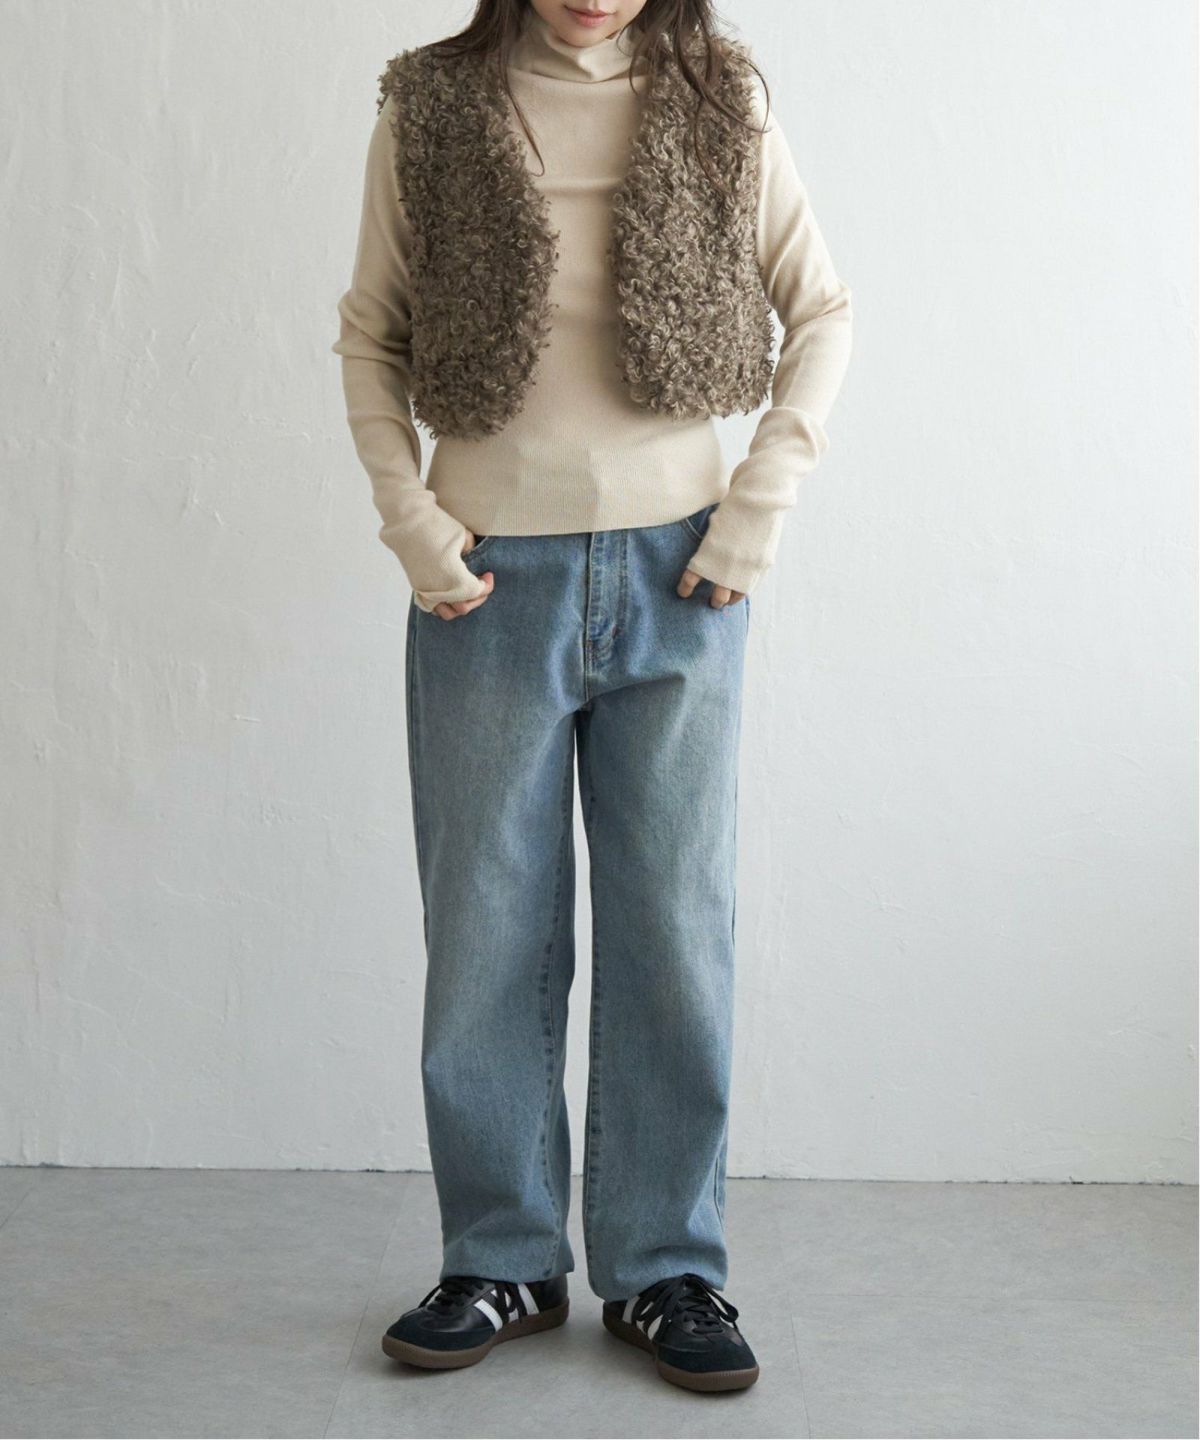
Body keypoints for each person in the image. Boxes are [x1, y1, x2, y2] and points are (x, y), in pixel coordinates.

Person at [332, 0, 852, 1394]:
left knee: (674, 923)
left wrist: (756, 509)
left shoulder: (721, 94)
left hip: (684, 574)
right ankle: (501, 1255)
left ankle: (668, 1265)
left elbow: (822, 309)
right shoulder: (430, 102)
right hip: (482, 579)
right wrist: (411, 520)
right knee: (486, 928)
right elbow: (372, 331)